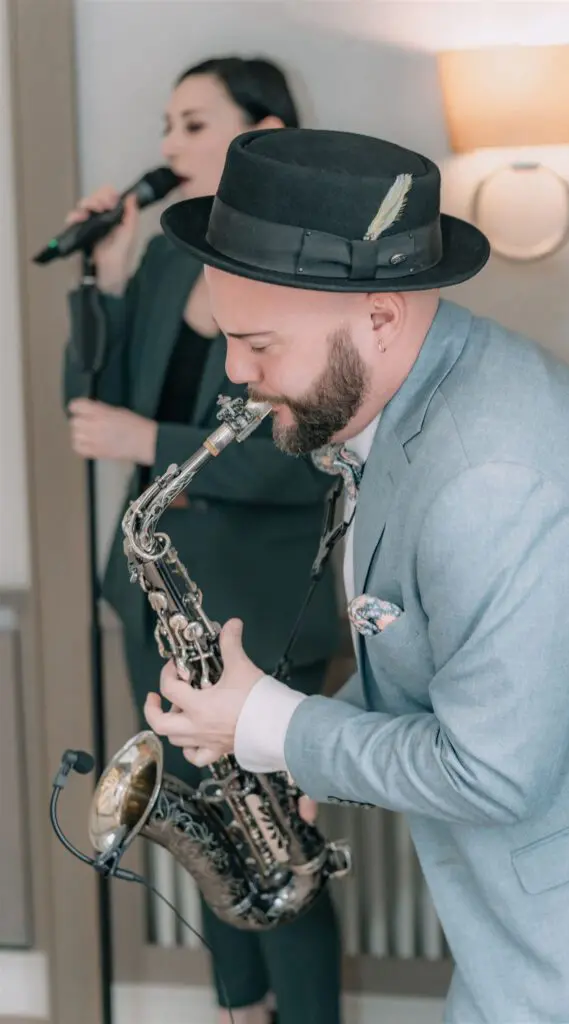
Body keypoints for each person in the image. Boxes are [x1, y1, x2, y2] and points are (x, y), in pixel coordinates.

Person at [145, 126, 569, 1024]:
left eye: (261, 345)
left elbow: (493, 774)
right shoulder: (419, 395)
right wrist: (285, 737)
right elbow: (445, 649)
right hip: (525, 939)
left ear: (380, 319)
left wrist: (278, 727)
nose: (237, 376)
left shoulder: (493, 478)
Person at [62, 62, 343, 1024]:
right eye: (166, 124)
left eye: (192, 124)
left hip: (260, 614)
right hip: (162, 605)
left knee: (278, 855)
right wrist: (104, 274)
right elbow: (94, 403)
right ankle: (239, 1010)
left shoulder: (312, 266)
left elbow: (301, 456)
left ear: (257, 135)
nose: (167, 146)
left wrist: (152, 447)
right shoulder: (172, 259)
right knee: (201, 837)